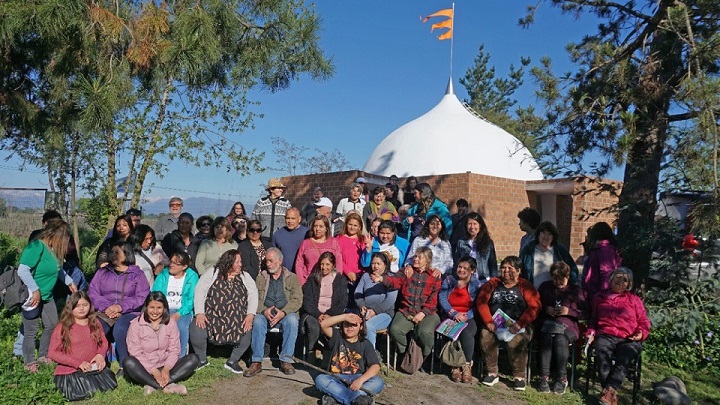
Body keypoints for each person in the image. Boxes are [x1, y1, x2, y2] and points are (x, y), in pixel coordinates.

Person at [17, 219, 78, 372]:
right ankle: (29, 362)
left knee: (51, 324)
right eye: (64, 238)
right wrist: (35, 290)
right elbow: (23, 270)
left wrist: (69, 281)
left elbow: (58, 270)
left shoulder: (53, 249)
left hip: (47, 295)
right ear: (56, 235)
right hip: (32, 295)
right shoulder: (36, 246)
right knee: (31, 330)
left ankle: (43, 354)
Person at [585, 267, 650, 405]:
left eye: (625, 280)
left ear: (629, 285)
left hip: (629, 338)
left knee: (626, 355)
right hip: (606, 335)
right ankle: (610, 395)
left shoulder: (634, 300)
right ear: (611, 279)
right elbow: (593, 320)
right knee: (602, 350)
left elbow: (644, 322)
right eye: (618, 277)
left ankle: (609, 391)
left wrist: (641, 334)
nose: (620, 281)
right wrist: (590, 333)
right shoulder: (600, 297)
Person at [476, 256, 540, 391]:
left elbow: (535, 307)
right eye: (503, 268)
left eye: (510, 268)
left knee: (516, 341)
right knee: (485, 335)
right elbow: (481, 302)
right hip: (495, 323)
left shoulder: (525, 286)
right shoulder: (492, 283)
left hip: (521, 325)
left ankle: (519, 376)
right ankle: (492, 373)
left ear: (518, 271)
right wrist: (488, 321)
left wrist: (519, 324)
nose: (505, 271)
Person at [88, 241, 150, 376]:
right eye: (112, 252)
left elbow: (141, 296)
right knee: (97, 327)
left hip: (130, 311)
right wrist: (107, 307)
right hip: (105, 310)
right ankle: (99, 362)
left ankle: (123, 365)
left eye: (117, 252)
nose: (113, 255)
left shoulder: (137, 274)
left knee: (120, 328)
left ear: (127, 254)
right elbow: (93, 292)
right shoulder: (102, 272)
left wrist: (120, 307)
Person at [190, 249, 257, 373]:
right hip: (213, 316)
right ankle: (202, 360)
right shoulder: (213, 273)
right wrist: (200, 312)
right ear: (228, 262)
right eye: (237, 262)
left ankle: (232, 361)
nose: (240, 265)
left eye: (241, 262)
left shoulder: (244, 276)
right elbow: (200, 290)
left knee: (248, 330)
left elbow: (253, 294)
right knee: (196, 327)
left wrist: (250, 315)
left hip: (238, 318)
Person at [371, 247, 441, 363]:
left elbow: (433, 301)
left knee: (425, 332)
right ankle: (404, 353)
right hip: (407, 310)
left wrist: (423, 313)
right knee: (395, 329)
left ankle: (424, 357)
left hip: (427, 312)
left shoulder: (434, 277)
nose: (416, 259)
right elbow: (395, 281)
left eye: (419, 257)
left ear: (427, 261)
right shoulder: (406, 271)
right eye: (415, 256)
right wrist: (382, 279)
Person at [125, 292, 200, 395]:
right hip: (145, 367)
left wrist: (166, 368)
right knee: (128, 362)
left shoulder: (170, 323)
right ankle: (164, 385)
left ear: (164, 308)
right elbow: (135, 351)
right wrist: (154, 371)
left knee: (193, 359)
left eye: (159, 308)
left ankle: (154, 384)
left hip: (165, 364)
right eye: (152, 307)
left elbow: (174, 349)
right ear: (146, 307)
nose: (155, 311)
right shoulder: (136, 325)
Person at [48, 291, 116, 401]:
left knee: (107, 385)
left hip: (92, 367)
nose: (81, 308)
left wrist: (100, 355)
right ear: (71, 307)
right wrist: (78, 363)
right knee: (85, 392)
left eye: (85, 305)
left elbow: (103, 342)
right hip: (71, 370)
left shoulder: (95, 322)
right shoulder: (63, 327)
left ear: (90, 305)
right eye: (77, 306)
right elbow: (52, 352)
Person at [246, 248, 303, 377]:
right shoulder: (261, 277)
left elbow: (297, 300)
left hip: (285, 314)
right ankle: (256, 361)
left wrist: (284, 312)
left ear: (280, 261)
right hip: (265, 313)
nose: (268, 264)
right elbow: (254, 298)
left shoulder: (292, 278)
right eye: (267, 261)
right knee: (258, 321)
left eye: (271, 261)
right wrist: (263, 310)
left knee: (293, 320)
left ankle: (286, 360)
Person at [314, 313, 384, 405]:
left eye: (354, 325)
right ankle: (356, 400)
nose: (350, 328)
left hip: (358, 378)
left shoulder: (365, 344)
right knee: (320, 380)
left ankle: (336, 399)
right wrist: (344, 317)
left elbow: (375, 366)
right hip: (337, 378)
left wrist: (360, 381)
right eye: (346, 324)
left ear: (361, 327)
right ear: (342, 326)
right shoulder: (337, 337)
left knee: (378, 382)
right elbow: (323, 324)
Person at [537, 262, 585, 394]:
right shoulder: (545, 287)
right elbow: (536, 307)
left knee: (560, 339)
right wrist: (546, 309)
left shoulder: (575, 291)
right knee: (546, 337)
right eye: (554, 278)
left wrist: (569, 312)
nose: (557, 282)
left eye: (561, 279)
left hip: (568, 326)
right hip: (547, 324)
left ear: (568, 276)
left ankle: (562, 378)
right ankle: (544, 376)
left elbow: (585, 313)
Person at [438, 257, 483, 383]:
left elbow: (478, 304)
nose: (461, 270)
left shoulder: (477, 285)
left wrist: (466, 316)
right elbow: (442, 298)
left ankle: (466, 365)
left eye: (465, 268)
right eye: (459, 267)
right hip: (450, 315)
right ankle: (455, 365)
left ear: (472, 270)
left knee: (467, 332)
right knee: (455, 331)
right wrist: (454, 314)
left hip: (468, 316)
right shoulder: (449, 280)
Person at [152, 252, 199, 358]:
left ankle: (180, 356)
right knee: (159, 325)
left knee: (181, 326)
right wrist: (161, 310)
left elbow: (191, 299)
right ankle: (159, 355)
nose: (171, 265)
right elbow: (156, 293)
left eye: (176, 263)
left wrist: (179, 313)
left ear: (184, 266)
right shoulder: (163, 274)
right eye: (171, 262)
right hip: (164, 309)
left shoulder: (192, 276)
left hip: (183, 310)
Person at [301, 252, 348, 356]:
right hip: (314, 313)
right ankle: (311, 352)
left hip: (332, 313)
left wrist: (329, 314)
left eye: (327, 264)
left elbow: (342, 302)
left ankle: (328, 353)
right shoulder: (313, 279)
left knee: (331, 328)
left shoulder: (340, 280)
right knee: (313, 326)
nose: (324, 267)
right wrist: (319, 315)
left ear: (333, 265)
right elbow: (307, 301)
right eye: (322, 264)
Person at [354, 252, 397, 347]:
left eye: (379, 264)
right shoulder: (366, 276)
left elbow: (390, 301)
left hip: (384, 313)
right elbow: (358, 293)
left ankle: (370, 357)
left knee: (369, 326)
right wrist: (362, 306)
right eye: (373, 263)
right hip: (365, 311)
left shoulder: (391, 278)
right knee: (350, 324)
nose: (375, 266)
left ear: (385, 265)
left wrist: (375, 311)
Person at [519, 221, 579, 288]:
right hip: (532, 292)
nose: (546, 236)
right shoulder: (528, 250)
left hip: (553, 293)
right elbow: (519, 271)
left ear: (553, 237)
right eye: (543, 233)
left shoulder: (560, 250)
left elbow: (573, 271)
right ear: (538, 234)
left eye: (549, 234)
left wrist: (565, 286)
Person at [295, 215, 344, 285]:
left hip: (329, 283)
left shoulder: (333, 242)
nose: (317, 229)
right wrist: (302, 283)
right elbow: (299, 265)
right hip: (310, 283)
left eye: (321, 226)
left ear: (326, 228)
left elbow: (338, 263)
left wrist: (336, 281)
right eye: (315, 226)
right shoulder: (306, 243)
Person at [582, 222, 622, 305]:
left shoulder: (605, 249)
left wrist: (603, 295)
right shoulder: (598, 248)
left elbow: (606, 272)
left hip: (600, 295)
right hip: (593, 292)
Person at [452, 212, 498, 280]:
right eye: (469, 224)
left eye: (475, 224)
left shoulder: (488, 243)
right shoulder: (461, 242)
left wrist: (493, 281)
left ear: (480, 225)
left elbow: (493, 264)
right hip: (466, 280)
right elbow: (456, 262)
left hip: (483, 280)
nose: (472, 227)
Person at [272, 207, 309, 272]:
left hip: (302, 274)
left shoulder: (307, 233)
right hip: (283, 274)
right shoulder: (278, 234)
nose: (290, 221)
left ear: (299, 219)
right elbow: (274, 256)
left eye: (293, 218)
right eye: (287, 218)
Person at [336, 211, 366, 286]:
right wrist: (348, 272)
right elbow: (337, 258)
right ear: (346, 225)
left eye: (355, 225)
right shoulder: (339, 239)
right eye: (350, 224)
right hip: (344, 276)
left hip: (361, 276)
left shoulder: (363, 239)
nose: (352, 227)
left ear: (359, 227)